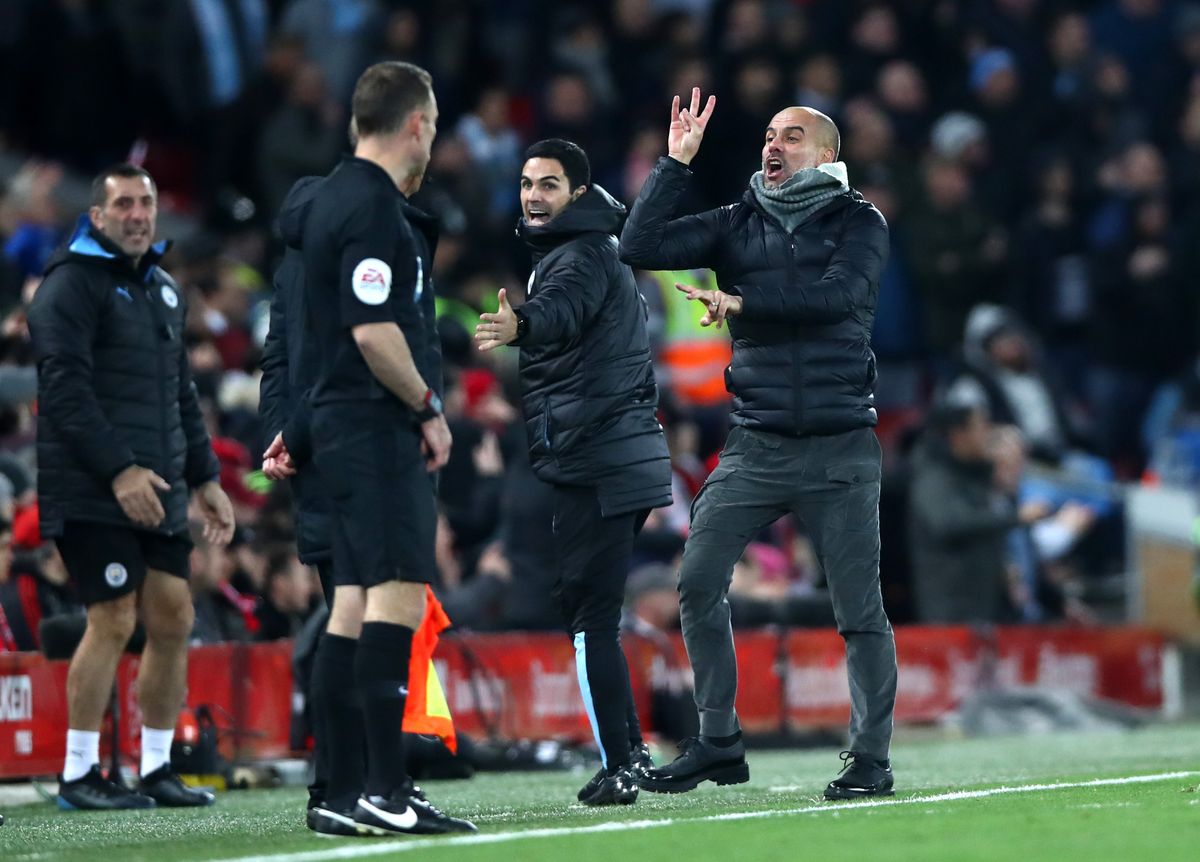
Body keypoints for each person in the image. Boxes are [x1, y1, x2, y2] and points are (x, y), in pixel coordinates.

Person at [618, 89, 897, 800]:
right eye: (769, 135)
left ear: (827, 155)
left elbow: (838, 297)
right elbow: (639, 246)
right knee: (697, 580)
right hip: (757, 444)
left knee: (858, 611)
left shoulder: (860, 221)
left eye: (793, 136)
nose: (773, 146)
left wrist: (743, 303)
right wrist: (676, 163)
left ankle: (870, 760)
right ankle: (719, 742)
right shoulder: (738, 221)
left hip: (840, 446)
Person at [264, 60, 474, 836]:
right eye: (435, 123)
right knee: (396, 594)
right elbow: (374, 331)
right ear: (416, 123)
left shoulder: (324, 207)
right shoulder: (375, 210)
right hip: (373, 426)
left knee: (351, 603)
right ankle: (387, 789)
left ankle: (342, 792)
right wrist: (427, 407)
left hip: (334, 425)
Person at [27, 163, 235, 810]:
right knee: (112, 617)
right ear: (97, 216)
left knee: (173, 617)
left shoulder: (164, 292)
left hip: (161, 486)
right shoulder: (69, 287)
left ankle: (154, 766)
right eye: (123, 204)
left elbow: (181, 394)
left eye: (146, 203)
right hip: (92, 486)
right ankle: (81, 772)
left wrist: (205, 477)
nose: (139, 214)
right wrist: (118, 470)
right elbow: (63, 391)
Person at [475, 138, 672, 805]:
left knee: (589, 616)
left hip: (597, 458)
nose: (533, 196)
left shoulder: (580, 256)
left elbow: (559, 315)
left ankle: (621, 764)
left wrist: (519, 326)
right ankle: (633, 752)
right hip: (612, 453)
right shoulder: (590, 250)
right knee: (596, 610)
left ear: (578, 195)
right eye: (528, 183)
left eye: (549, 185)